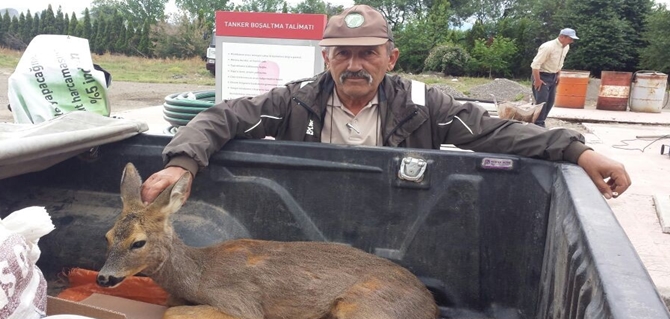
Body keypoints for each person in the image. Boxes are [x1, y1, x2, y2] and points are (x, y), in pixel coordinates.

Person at [141, 5, 630, 204]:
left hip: (394, 224)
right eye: (343, 54)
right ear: (326, 57)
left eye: (368, 53)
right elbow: (221, 116)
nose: (355, 65)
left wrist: (579, 151)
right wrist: (183, 163)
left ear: (390, 57)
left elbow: (498, 131)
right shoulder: (293, 101)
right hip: (307, 225)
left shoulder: (425, 105)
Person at [530, 28, 578, 127]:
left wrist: (558, 75)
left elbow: (560, 62)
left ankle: (540, 122)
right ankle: (538, 125)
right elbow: (535, 65)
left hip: (553, 76)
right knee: (542, 102)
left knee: (550, 102)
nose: (572, 41)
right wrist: (537, 80)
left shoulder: (566, 47)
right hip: (542, 75)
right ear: (562, 37)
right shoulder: (548, 47)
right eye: (570, 39)